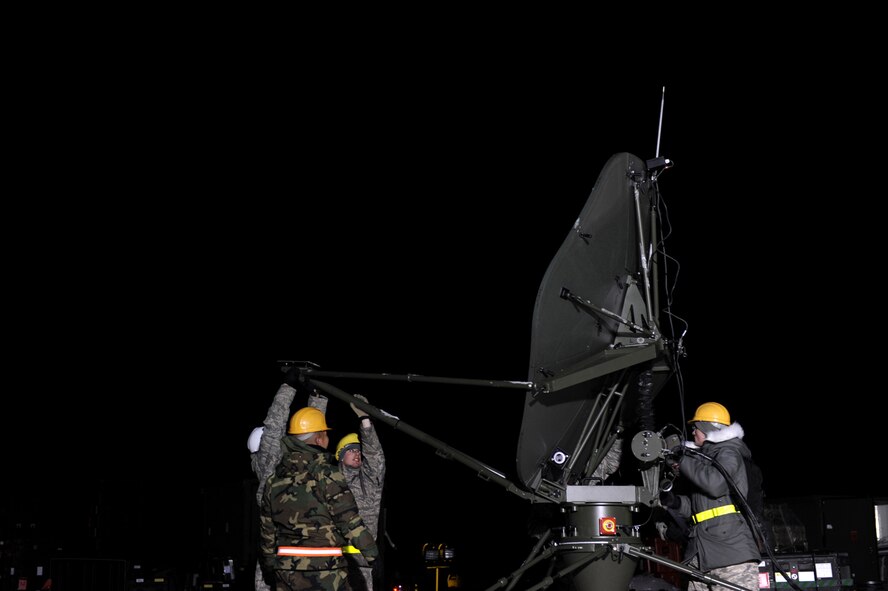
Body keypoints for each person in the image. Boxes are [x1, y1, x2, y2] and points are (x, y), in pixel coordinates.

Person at [259, 405, 378, 590]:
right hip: (326, 573)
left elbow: (267, 532)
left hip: (287, 575)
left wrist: (269, 566)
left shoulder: (273, 481)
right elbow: (349, 520)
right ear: (319, 438)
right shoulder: (327, 474)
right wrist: (373, 556)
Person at [659, 402, 760, 591]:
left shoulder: (728, 452)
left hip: (731, 556)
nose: (693, 432)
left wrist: (683, 459)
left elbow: (715, 485)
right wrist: (676, 503)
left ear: (707, 428)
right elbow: (702, 507)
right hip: (702, 553)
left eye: (695, 428)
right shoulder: (705, 458)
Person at [248, 365, 329, 591]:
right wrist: (289, 388)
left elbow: (310, 435)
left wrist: (316, 398)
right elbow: (275, 425)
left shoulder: (285, 468)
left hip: (294, 551)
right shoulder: (271, 465)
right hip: (297, 551)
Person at [310, 392, 386, 591]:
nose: (357, 453)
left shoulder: (368, 483)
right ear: (340, 456)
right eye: (351, 450)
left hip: (362, 566)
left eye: (358, 450)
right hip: (332, 565)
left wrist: (365, 420)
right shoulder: (330, 480)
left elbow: (375, 458)